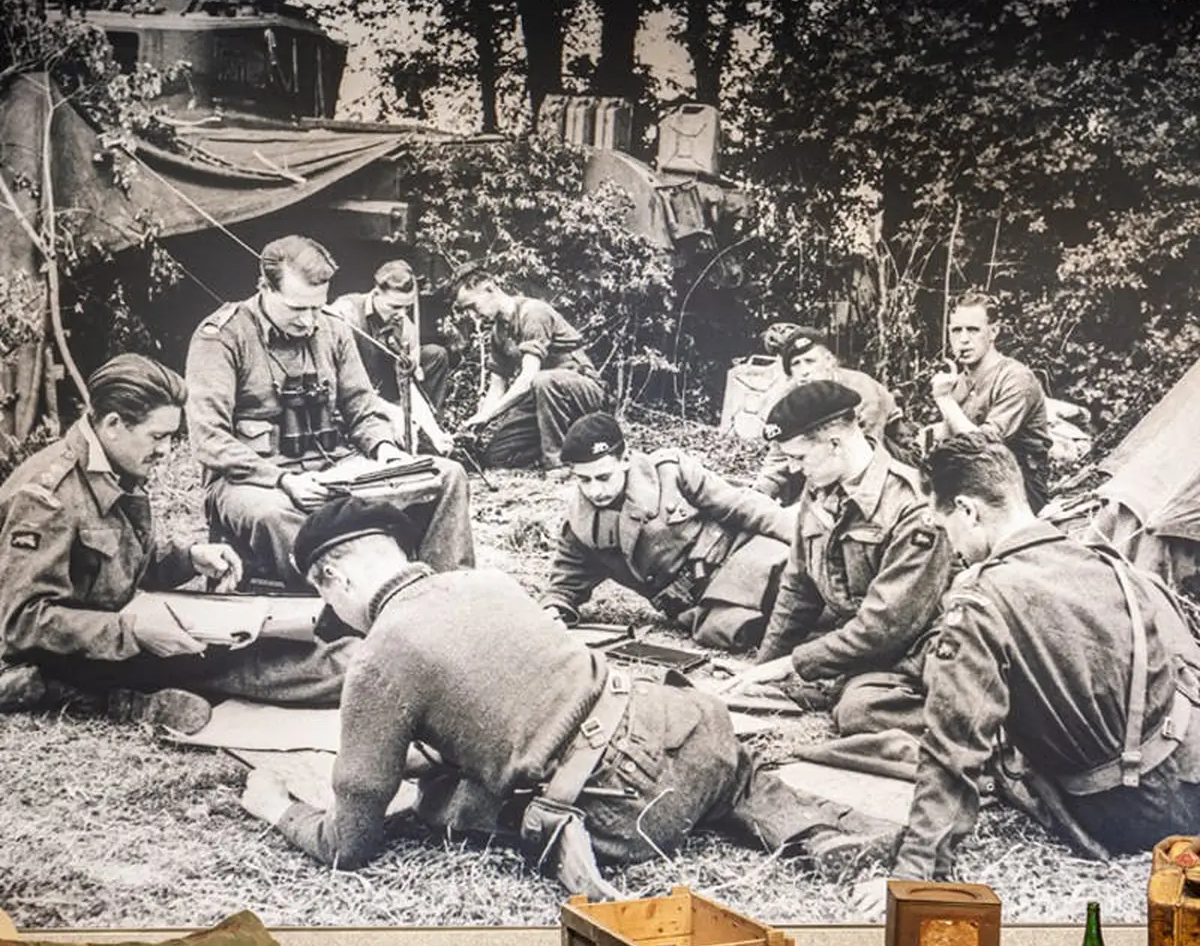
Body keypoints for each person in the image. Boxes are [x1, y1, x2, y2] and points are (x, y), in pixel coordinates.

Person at [240, 496, 903, 896]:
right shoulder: (487, 582)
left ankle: (798, 833)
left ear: (335, 579)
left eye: (329, 598)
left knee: (442, 802)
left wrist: (278, 811)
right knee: (732, 779)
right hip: (688, 726)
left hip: (619, 809)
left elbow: (349, 843)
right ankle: (819, 833)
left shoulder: (381, 655)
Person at [852, 437, 1200, 917]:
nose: (950, 547)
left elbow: (953, 747)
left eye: (946, 526)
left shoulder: (979, 601)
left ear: (968, 511)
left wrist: (914, 876)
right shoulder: (1106, 562)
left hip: (1138, 810)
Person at [0, 354, 351, 728]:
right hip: (74, 650)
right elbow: (21, 623)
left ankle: (362, 654)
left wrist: (189, 559)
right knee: (247, 659)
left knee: (256, 628)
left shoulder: (112, 463)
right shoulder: (46, 498)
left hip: (123, 623)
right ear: (114, 424)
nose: (166, 450)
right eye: (158, 436)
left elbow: (111, 566)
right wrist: (132, 632)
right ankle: (367, 672)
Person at [185, 235, 475, 591]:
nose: (309, 322)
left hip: (335, 468)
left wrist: (386, 451)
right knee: (275, 515)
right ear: (264, 288)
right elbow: (209, 439)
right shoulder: (223, 337)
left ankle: (444, 595)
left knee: (445, 476)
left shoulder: (332, 327)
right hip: (254, 480)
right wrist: (282, 480)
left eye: (316, 308)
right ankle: (338, 612)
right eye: (297, 309)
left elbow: (361, 405)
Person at [720, 381, 954, 732]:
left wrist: (791, 664)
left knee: (858, 711)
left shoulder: (910, 505)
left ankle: (972, 729)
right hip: (860, 644)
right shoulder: (818, 491)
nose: (794, 470)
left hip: (918, 648)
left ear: (834, 443)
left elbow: (886, 625)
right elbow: (798, 589)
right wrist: (761, 669)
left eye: (798, 458)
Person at [540, 413, 796, 651]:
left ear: (626, 459)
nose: (595, 490)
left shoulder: (668, 472)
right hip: (702, 602)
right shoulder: (581, 525)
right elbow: (564, 585)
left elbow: (742, 506)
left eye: (604, 477)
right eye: (584, 480)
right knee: (743, 631)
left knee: (797, 589)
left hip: (742, 557)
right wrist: (554, 610)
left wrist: (801, 536)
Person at [452, 269, 607, 470]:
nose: (473, 315)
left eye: (473, 306)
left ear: (490, 289)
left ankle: (558, 463)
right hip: (544, 400)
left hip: (582, 391)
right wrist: (481, 419)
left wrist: (489, 415)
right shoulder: (498, 332)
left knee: (543, 381)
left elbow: (528, 378)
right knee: (497, 456)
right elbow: (496, 386)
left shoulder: (533, 313)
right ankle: (570, 441)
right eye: (466, 310)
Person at [753, 327, 914, 504]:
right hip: (830, 456)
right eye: (796, 364)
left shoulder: (860, 388)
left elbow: (863, 451)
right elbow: (780, 452)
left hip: (887, 452)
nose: (804, 371)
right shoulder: (792, 398)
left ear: (830, 361)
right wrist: (760, 493)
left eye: (810, 361)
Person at [929, 291, 1052, 511]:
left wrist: (944, 400)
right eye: (956, 331)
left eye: (973, 330)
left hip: (1019, 489)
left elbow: (983, 446)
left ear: (993, 331)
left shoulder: (1016, 378)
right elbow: (951, 440)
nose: (963, 340)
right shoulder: (959, 382)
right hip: (973, 479)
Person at [327, 259, 456, 456]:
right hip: (348, 394)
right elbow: (343, 387)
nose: (401, 314)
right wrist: (394, 414)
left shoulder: (403, 325)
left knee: (434, 355)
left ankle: (423, 439)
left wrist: (433, 431)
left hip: (380, 387)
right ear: (376, 293)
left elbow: (408, 385)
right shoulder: (346, 313)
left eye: (407, 307)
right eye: (395, 306)